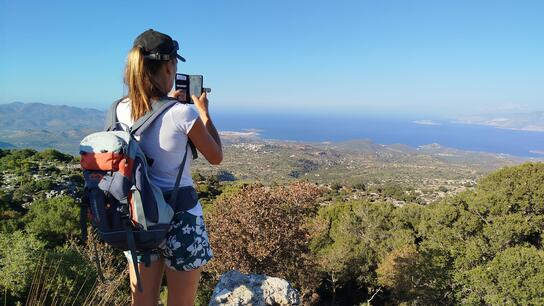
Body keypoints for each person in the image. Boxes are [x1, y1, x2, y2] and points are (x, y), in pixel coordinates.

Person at [115, 29, 222, 306]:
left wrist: (168, 102)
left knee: (142, 301)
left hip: (140, 217)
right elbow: (216, 156)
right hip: (181, 217)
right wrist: (203, 112)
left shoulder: (119, 109)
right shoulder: (182, 113)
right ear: (168, 66)